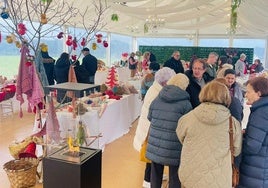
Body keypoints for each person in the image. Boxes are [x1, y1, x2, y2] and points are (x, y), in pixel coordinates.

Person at [177, 81, 242, 188]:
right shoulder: (232, 123)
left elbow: (181, 137)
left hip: (191, 174)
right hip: (220, 178)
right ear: (226, 97)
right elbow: (236, 150)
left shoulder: (188, 118)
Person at [146, 73, 192, 188]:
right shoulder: (185, 103)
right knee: (174, 175)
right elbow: (188, 125)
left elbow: (149, 117)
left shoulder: (158, 98)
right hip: (174, 145)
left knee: (155, 173)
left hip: (156, 143)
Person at [133, 67, 176, 188]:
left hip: (152, 127)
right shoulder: (157, 92)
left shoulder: (157, 88)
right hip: (150, 129)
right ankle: (147, 181)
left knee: (155, 156)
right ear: (165, 81)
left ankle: (157, 176)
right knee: (151, 156)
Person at [238, 77, 268, 188]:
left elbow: (252, 146)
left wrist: (240, 141)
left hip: (255, 170)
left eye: (249, 92)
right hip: (261, 167)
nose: (246, 95)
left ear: (258, 93)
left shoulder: (261, 112)